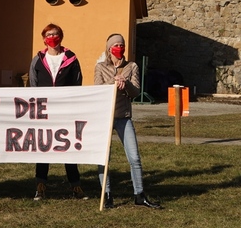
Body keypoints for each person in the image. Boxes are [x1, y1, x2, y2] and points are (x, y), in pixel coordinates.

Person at [93, 33, 160, 209]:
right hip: (106, 117)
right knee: (104, 158)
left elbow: (136, 92)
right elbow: (98, 89)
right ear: (109, 48)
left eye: (121, 45)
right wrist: (113, 82)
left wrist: (126, 83)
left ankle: (139, 195)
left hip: (124, 117)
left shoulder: (132, 66)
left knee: (134, 157)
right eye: (116, 45)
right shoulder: (100, 67)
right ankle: (107, 194)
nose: (119, 48)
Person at [29, 23, 86, 201]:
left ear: (61, 36)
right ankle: (40, 186)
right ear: (44, 39)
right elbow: (33, 85)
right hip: (45, 112)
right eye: (48, 35)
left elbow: (77, 83)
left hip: (65, 111)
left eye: (55, 34)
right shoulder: (37, 60)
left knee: (67, 147)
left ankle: (75, 185)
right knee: (43, 148)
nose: (52, 38)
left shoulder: (71, 59)